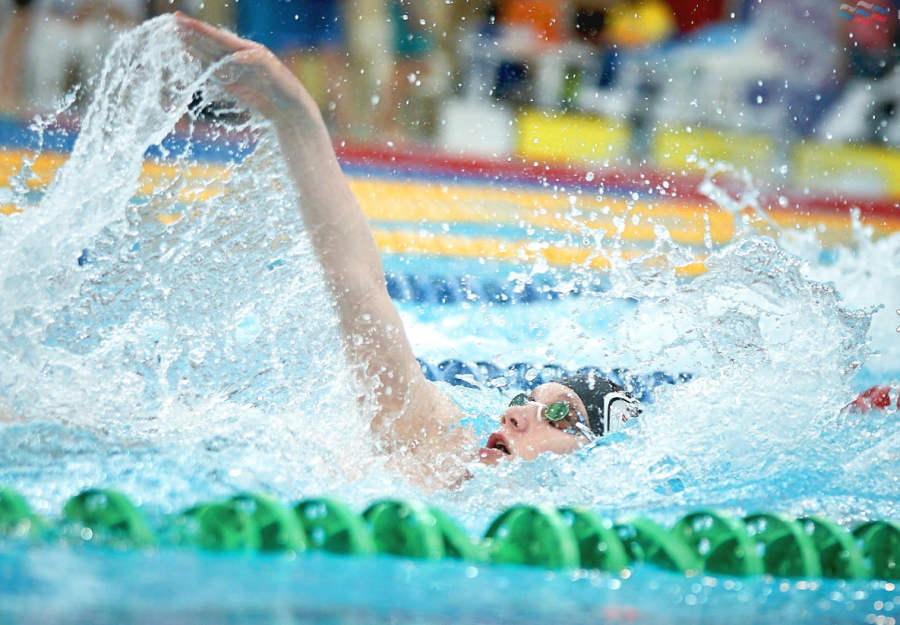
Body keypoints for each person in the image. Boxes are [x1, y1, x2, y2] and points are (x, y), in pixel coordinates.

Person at [174, 14, 640, 490]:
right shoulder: (439, 446)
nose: (516, 412)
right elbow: (358, 286)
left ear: (595, 458)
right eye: (527, 397)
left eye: (559, 414)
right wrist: (294, 116)